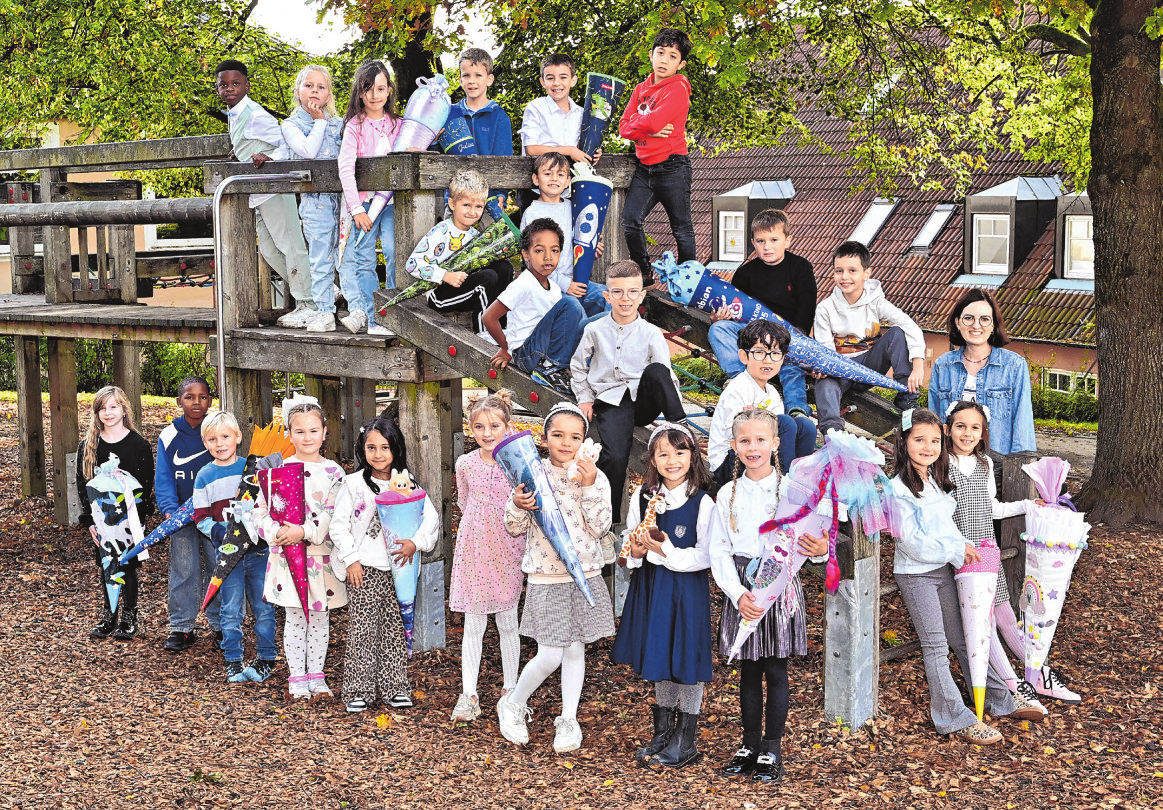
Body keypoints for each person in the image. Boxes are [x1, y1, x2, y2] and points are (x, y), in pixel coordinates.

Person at [886, 407, 1040, 744]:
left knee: (964, 638)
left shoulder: (935, 480)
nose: (928, 447)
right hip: (917, 575)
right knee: (936, 645)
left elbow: (947, 529)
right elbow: (913, 545)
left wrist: (965, 544)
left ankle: (999, 699)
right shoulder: (898, 490)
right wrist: (958, 551)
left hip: (943, 569)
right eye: (919, 440)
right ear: (904, 442)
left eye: (934, 441)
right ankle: (954, 717)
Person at [709, 409, 827, 784]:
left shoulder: (794, 490)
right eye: (744, 441)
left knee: (775, 669)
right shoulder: (727, 493)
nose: (753, 447)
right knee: (748, 670)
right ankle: (749, 743)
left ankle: (772, 747)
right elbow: (718, 550)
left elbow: (812, 543)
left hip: (779, 586)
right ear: (733, 446)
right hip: (744, 590)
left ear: (776, 443)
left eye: (761, 439)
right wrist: (737, 592)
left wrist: (821, 547)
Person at [496, 403, 615, 754]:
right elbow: (513, 527)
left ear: (584, 440)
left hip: (586, 574)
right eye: (557, 435)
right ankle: (514, 703)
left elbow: (600, 525)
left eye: (575, 436)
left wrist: (590, 483)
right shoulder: (532, 473)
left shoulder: (594, 475)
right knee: (550, 653)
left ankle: (568, 719)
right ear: (544, 437)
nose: (566, 442)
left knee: (575, 648)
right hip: (547, 577)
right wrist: (518, 505)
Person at [943, 402, 1078, 704]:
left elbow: (992, 507)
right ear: (948, 428)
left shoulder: (985, 464)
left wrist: (1030, 505)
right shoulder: (941, 464)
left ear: (983, 433)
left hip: (987, 549)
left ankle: (1039, 674)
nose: (967, 433)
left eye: (974, 427)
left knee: (1006, 615)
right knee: (985, 621)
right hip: (962, 555)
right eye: (960, 426)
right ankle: (1014, 685)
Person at [610, 423, 715, 769]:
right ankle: (664, 732)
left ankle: (686, 739)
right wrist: (637, 551)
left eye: (680, 452)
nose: (672, 460)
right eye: (663, 453)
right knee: (661, 653)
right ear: (652, 458)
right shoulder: (644, 495)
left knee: (685, 654)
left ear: (692, 456)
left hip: (685, 590)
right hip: (654, 587)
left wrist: (667, 551)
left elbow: (707, 555)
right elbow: (631, 540)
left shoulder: (702, 501)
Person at [330, 416, 439, 713]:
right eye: (371, 447)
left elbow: (430, 519)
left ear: (397, 450)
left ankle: (394, 687)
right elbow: (338, 526)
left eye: (385, 447)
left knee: (393, 628)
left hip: (399, 571)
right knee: (363, 629)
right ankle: (357, 689)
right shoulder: (353, 484)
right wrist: (351, 559)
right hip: (364, 570)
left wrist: (416, 543)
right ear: (362, 449)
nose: (378, 454)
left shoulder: (407, 485)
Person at [570, 260, 686, 516]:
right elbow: (578, 366)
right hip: (611, 401)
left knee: (657, 370)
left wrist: (672, 404)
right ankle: (608, 522)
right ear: (607, 296)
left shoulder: (651, 332)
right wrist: (584, 399)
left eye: (633, 291)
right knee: (615, 457)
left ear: (641, 295)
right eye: (618, 292)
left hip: (643, 401)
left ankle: (681, 427)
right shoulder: (594, 330)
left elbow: (666, 375)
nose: (626, 298)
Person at [254, 398, 348, 698]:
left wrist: (305, 531)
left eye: (313, 430)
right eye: (300, 431)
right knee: (295, 617)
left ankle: (317, 675)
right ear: (290, 434)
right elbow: (260, 509)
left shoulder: (335, 473)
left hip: (320, 560)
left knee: (319, 617)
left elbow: (335, 513)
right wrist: (277, 531)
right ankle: (297, 676)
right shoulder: (278, 469)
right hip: (287, 558)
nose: (307, 438)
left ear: (325, 432)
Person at [215, 59, 313, 327]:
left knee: (290, 244)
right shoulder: (235, 115)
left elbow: (287, 145)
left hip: (273, 188)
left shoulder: (256, 114)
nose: (230, 89)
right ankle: (318, 287)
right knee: (269, 251)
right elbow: (249, 142)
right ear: (217, 89)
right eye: (224, 85)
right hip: (256, 192)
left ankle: (309, 302)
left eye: (236, 84)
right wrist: (241, 152)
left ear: (247, 85)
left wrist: (269, 156)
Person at [448, 392, 526, 722]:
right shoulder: (465, 464)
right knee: (474, 624)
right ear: (471, 428)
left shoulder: (517, 464)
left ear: (508, 427)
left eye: (495, 425)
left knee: (508, 622)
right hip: (475, 548)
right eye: (479, 426)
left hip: (508, 547)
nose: (487, 432)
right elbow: (465, 502)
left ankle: (512, 692)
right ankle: (469, 695)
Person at [707, 209, 816, 418]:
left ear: (787, 240)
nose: (767, 247)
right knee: (718, 329)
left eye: (774, 239)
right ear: (753, 242)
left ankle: (797, 409)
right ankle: (742, 379)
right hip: (753, 335)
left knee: (791, 367)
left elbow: (806, 309)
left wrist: (794, 339)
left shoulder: (801, 268)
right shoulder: (745, 273)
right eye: (761, 241)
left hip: (789, 336)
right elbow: (734, 310)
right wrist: (719, 317)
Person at [194, 410, 278, 684]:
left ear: (238, 437)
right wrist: (217, 530)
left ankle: (266, 657)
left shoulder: (253, 469)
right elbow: (200, 517)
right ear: (204, 443)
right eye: (212, 439)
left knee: (264, 607)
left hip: (258, 552)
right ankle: (233, 661)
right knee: (231, 610)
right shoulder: (204, 476)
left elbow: (270, 506)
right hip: (227, 556)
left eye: (225, 436)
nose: (219, 443)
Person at [812, 240, 925, 435]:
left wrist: (918, 365)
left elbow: (910, 326)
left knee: (897, 333)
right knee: (824, 383)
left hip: (869, 368)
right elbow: (825, 349)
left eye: (852, 271)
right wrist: (823, 368)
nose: (845, 277)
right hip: (840, 370)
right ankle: (832, 430)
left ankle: (907, 396)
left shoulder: (876, 302)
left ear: (867, 273)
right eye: (839, 271)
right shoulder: (825, 308)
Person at [76, 385, 155, 641]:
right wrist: (90, 521)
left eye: (113, 407)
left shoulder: (138, 445)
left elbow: (145, 485)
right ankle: (109, 615)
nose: (108, 413)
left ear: (123, 409)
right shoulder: (88, 446)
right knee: (106, 565)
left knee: (127, 565)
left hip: (128, 520)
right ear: (96, 413)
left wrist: (135, 522)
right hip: (101, 520)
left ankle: (129, 617)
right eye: (102, 409)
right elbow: (83, 483)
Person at [619, 28, 694, 284]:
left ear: (680, 63)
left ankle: (687, 283)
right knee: (630, 220)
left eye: (672, 56)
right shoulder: (641, 88)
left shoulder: (677, 89)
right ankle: (645, 273)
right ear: (651, 54)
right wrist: (646, 125)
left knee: (681, 229)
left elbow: (653, 121)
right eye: (660, 53)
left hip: (673, 167)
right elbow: (623, 127)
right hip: (645, 168)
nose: (664, 60)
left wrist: (641, 125)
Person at [482, 218, 588, 395]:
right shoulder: (524, 283)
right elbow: (489, 317)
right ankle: (551, 369)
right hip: (527, 354)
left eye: (554, 251)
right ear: (526, 254)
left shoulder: (554, 287)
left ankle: (568, 367)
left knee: (595, 323)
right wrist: (506, 348)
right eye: (539, 251)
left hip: (545, 349)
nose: (548, 257)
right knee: (571, 303)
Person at [707, 319, 817, 484]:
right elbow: (735, 433)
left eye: (775, 353)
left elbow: (777, 434)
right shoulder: (738, 387)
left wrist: (759, 419)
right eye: (759, 352)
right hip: (730, 463)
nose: (768, 360)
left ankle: (799, 480)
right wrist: (754, 422)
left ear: (782, 359)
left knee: (805, 426)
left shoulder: (771, 392)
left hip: (758, 456)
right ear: (744, 356)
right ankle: (783, 482)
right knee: (785, 422)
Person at [928, 289, 1037, 455]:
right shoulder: (943, 366)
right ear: (958, 322)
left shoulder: (1014, 365)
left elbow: (1023, 424)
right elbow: (934, 424)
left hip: (997, 466)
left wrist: (1019, 470)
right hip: (951, 464)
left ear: (993, 326)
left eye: (984, 319)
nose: (976, 325)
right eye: (969, 318)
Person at [156, 375, 220, 653]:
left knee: (220, 567)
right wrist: (170, 510)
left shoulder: (217, 430)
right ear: (179, 401)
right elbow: (164, 476)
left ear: (210, 401)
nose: (197, 402)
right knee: (183, 570)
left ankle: (222, 625)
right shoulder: (169, 435)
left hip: (214, 515)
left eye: (203, 397)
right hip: (182, 515)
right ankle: (182, 627)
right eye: (190, 397)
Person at [336, 59, 401, 334]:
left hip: (393, 203)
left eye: (381, 88)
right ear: (360, 92)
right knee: (364, 258)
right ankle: (376, 319)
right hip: (364, 204)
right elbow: (345, 167)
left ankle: (398, 313)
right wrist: (355, 208)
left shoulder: (398, 124)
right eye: (369, 89)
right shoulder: (355, 126)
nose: (375, 95)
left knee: (393, 250)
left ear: (389, 91)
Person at [405, 168, 513, 332]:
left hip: (469, 289)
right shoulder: (441, 231)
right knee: (488, 278)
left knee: (504, 267)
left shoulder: (476, 235)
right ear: (452, 204)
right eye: (466, 205)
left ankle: (503, 328)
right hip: (441, 295)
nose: (472, 212)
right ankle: (485, 334)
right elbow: (412, 264)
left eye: (478, 206)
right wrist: (445, 275)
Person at [281, 64, 345, 334]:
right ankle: (324, 311)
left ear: (329, 95)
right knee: (319, 258)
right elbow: (307, 151)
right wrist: (318, 122)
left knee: (347, 256)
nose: (315, 91)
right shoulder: (291, 125)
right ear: (298, 91)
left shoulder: (340, 125)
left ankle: (356, 308)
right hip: (314, 201)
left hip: (343, 201)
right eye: (309, 86)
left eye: (321, 87)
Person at [520, 151, 609, 316]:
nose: (554, 178)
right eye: (548, 173)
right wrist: (565, 284)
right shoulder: (533, 214)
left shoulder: (573, 207)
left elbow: (579, 241)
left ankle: (618, 338)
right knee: (573, 309)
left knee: (609, 296)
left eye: (560, 174)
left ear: (568, 181)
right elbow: (532, 261)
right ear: (536, 179)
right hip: (547, 285)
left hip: (577, 281)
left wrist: (591, 249)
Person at [454, 47, 513, 214]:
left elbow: (504, 159)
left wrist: (501, 191)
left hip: (488, 198)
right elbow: (438, 150)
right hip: (456, 196)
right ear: (460, 80)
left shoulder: (499, 117)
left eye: (478, 75)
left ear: (489, 79)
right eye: (466, 75)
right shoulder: (451, 113)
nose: (472, 81)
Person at [519, 53, 600, 165]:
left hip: (571, 176)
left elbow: (580, 149)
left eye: (563, 77)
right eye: (550, 78)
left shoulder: (581, 113)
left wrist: (592, 153)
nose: (557, 83)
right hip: (542, 174)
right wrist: (569, 151)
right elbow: (531, 149)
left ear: (573, 80)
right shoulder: (536, 107)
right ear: (543, 82)